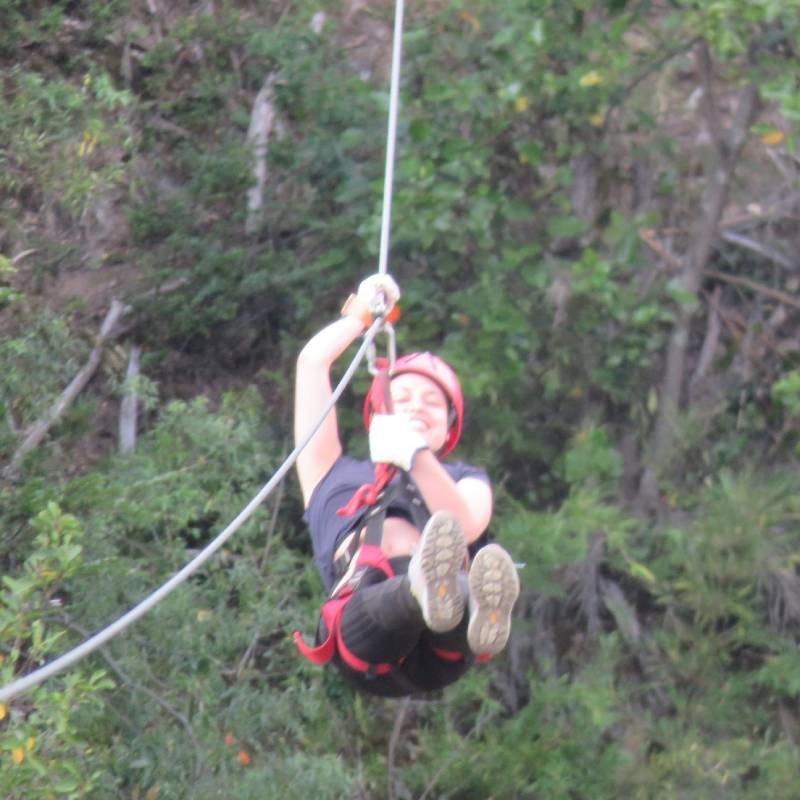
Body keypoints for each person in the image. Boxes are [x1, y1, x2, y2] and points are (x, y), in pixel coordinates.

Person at [293, 273, 519, 697]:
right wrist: (361, 315)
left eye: (433, 403)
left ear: (447, 429)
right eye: (405, 397)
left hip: (443, 644)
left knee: (450, 567)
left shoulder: (464, 479)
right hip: (366, 631)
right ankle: (424, 589)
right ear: (380, 408)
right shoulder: (332, 474)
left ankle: (463, 601)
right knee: (408, 562)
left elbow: (467, 525)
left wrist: (414, 456)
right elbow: (312, 365)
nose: (418, 407)